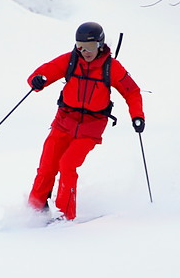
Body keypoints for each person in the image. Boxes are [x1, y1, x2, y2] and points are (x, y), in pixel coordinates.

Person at [27, 22, 145, 221]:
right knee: (47, 166)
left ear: (100, 44)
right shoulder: (71, 60)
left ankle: (66, 216)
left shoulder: (111, 67)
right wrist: (38, 80)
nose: (84, 51)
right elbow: (43, 73)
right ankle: (34, 211)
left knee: (67, 164)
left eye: (89, 47)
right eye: (79, 46)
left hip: (91, 127)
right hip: (64, 121)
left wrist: (137, 116)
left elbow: (132, 92)